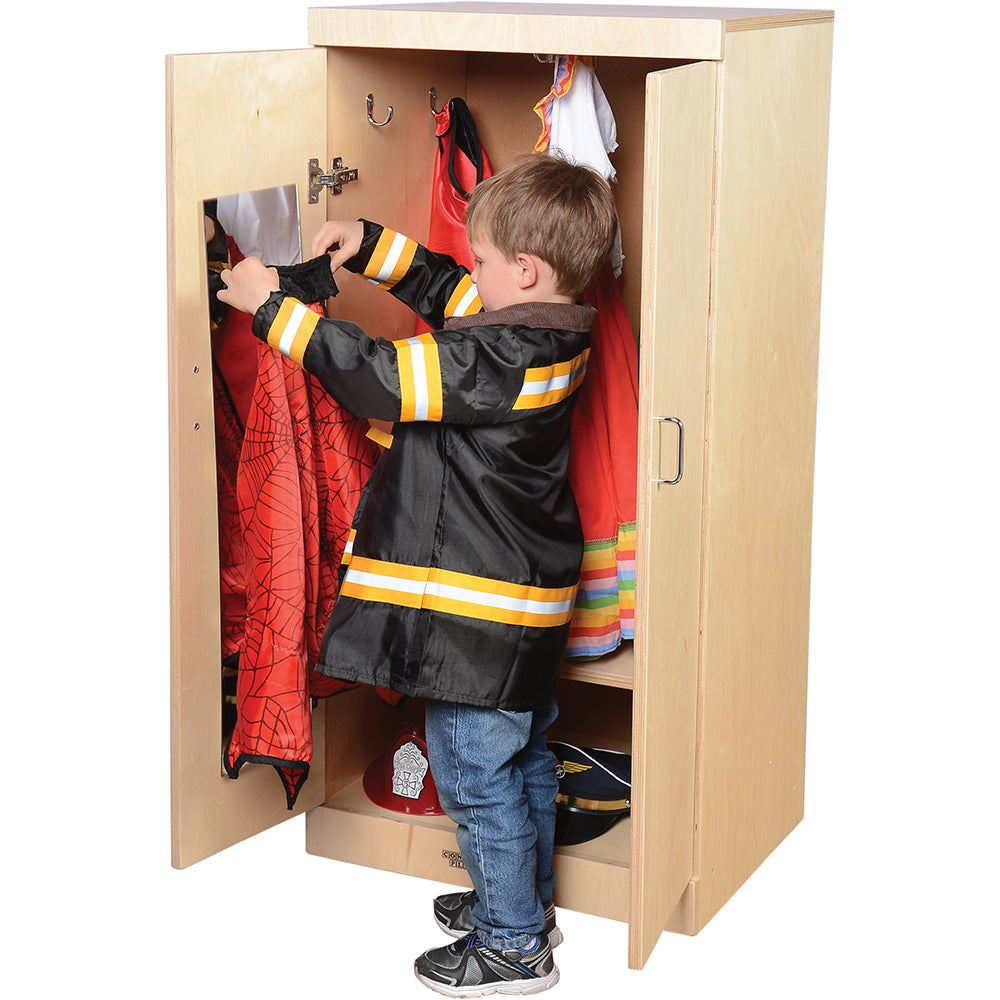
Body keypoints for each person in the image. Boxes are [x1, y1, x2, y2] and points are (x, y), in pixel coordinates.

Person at [219, 153, 618, 997]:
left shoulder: (499, 357)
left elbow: (381, 379)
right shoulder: (550, 330)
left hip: (478, 623)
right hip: (525, 609)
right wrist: (371, 246)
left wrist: (272, 310)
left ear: (525, 271)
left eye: (483, 260)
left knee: (474, 773)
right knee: (522, 758)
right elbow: (448, 292)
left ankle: (513, 947)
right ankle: (524, 903)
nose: (471, 273)